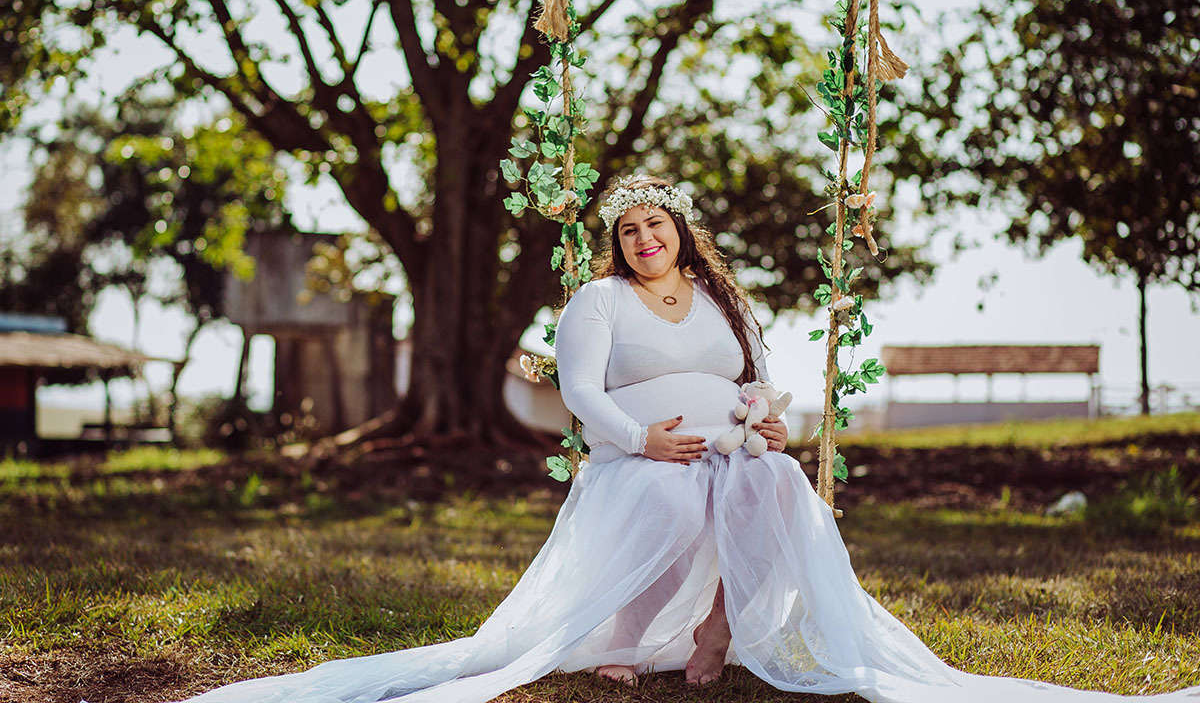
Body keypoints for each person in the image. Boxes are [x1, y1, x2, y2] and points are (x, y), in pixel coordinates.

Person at [174, 176, 1200, 703]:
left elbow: (756, 377)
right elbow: (581, 392)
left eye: (654, 226)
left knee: (781, 491)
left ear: (679, 231)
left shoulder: (720, 297)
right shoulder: (596, 303)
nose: (643, 240)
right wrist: (639, 438)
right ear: (617, 245)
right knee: (666, 501)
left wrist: (772, 421)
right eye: (629, 231)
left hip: (734, 445)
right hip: (642, 454)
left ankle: (717, 632)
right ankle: (626, 642)